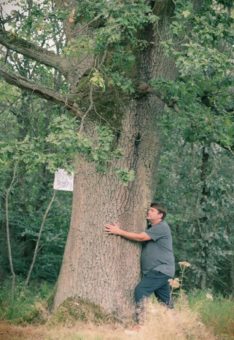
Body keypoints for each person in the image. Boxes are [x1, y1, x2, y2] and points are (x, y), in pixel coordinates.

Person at [105, 202, 175, 318]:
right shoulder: (152, 228)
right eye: (149, 209)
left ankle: (140, 323)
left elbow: (140, 237)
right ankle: (177, 325)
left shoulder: (161, 227)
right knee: (165, 302)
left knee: (141, 290)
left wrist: (119, 231)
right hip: (161, 270)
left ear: (160, 215)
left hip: (160, 269)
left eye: (152, 210)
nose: (149, 211)